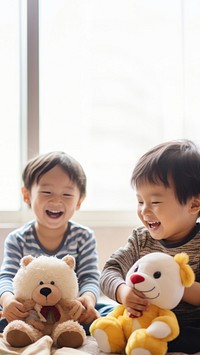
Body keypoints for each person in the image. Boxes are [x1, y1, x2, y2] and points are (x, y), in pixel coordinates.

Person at [100, 139, 200, 353]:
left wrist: (177, 285)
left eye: (155, 202)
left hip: (187, 325)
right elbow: (109, 271)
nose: (145, 211)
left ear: (194, 204)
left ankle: (153, 341)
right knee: (105, 314)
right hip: (142, 319)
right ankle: (130, 336)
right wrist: (122, 292)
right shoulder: (141, 239)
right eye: (139, 201)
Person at [0, 151, 113, 335]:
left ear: (79, 201)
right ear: (27, 195)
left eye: (67, 194)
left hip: (69, 313)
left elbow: (89, 277)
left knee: (110, 313)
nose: (56, 200)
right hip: (28, 313)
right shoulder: (18, 238)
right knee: (4, 315)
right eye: (46, 192)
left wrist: (88, 299)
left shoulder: (83, 237)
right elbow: (6, 277)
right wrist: (7, 301)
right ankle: (23, 333)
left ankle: (68, 333)